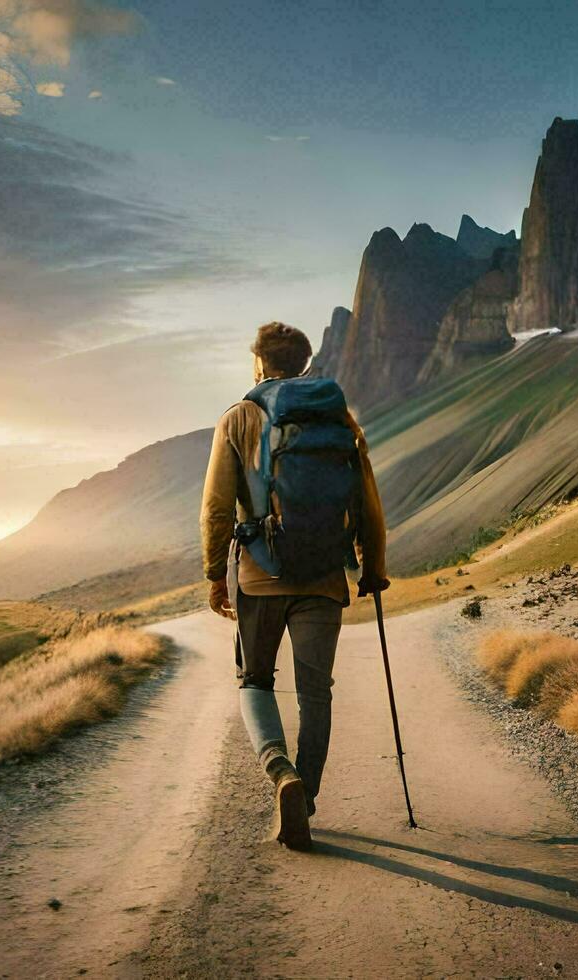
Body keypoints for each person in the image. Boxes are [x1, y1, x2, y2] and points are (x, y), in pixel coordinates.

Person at [199, 321, 387, 851]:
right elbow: (368, 500)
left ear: (259, 363)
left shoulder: (238, 418)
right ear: (304, 364)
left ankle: (281, 772)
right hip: (325, 577)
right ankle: (305, 800)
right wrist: (372, 566)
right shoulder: (339, 419)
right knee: (315, 692)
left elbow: (216, 508)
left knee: (256, 682)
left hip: (260, 576)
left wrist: (217, 575)